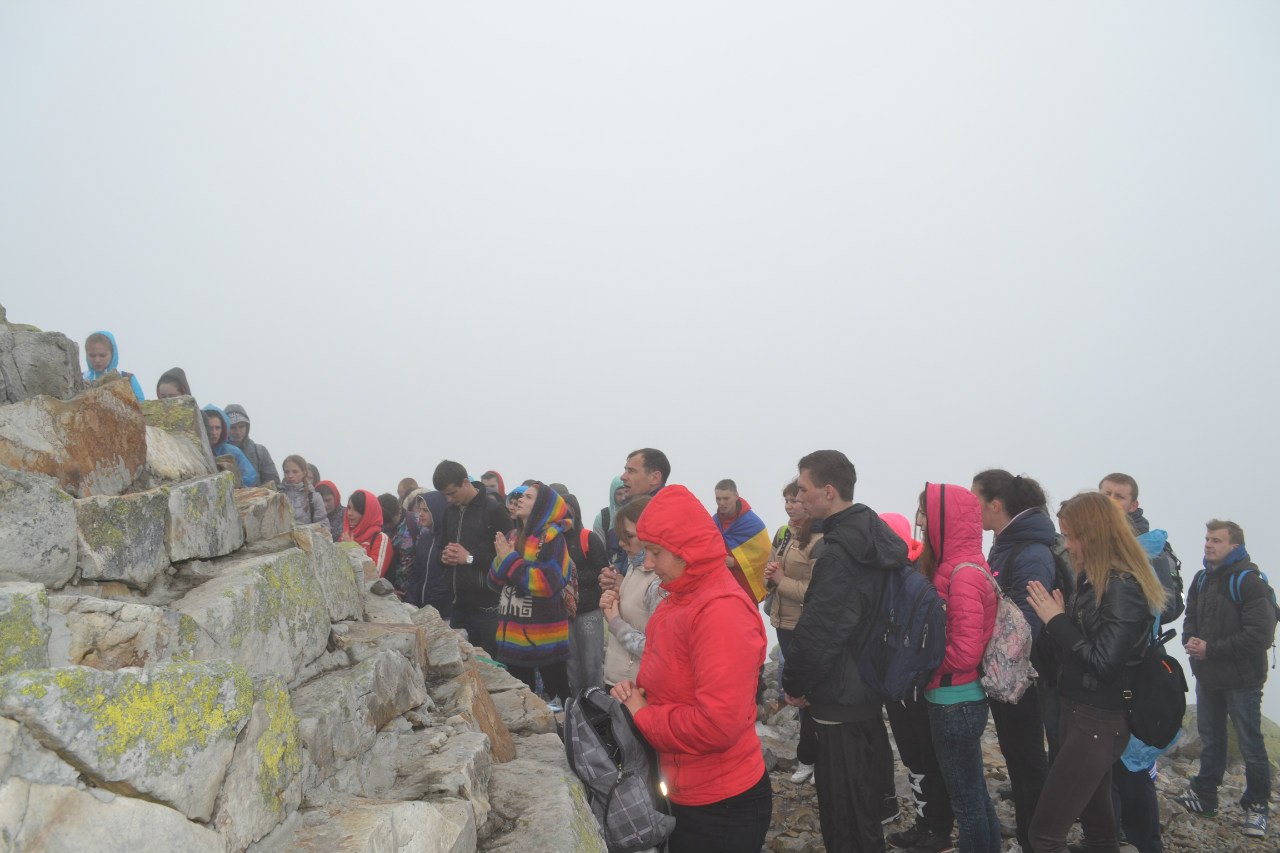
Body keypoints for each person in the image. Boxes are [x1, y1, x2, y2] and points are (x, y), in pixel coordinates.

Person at [611, 485, 771, 853]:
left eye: (656, 552)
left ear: (686, 550)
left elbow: (718, 724)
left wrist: (643, 714)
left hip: (723, 804)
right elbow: (672, 680)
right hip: (684, 788)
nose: (649, 563)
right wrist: (637, 694)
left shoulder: (721, 611)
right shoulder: (679, 598)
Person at [781, 450, 908, 853]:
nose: (799, 497)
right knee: (863, 804)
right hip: (868, 685)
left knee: (844, 812)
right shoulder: (873, 535)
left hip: (839, 696)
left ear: (829, 491)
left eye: (804, 488)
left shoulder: (839, 553)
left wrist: (794, 683)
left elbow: (821, 631)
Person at [1026, 491, 1167, 853]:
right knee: (1100, 833)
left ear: (1095, 535)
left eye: (1072, 536)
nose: (1068, 545)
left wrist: (1057, 622)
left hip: (1098, 722)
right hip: (1081, 715)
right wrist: (1060, 620)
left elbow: (1105, 663)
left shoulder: (1123, 587)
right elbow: (1082, 649)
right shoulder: (1095, 580)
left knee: (1044, 836)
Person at [1175, 519, 1276, 838]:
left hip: (1243, 679)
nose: (1208, 544)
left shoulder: (1249, 581)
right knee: (1211, 737)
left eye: (1216, 540)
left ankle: (1257, 807)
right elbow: (1191, 617)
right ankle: (1205, 795)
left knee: (1250, 743)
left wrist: (1211, 649)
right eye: (1207, 538)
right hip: (1208, 674)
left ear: (1235, 546)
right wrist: (1190, 641)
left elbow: (1259, 636)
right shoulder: (1201, 578)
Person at [1098, 472, 1183, 852]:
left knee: (1131, 765)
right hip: (1103, 666)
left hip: (1136, 667)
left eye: (1119, 496)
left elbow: (1169, 606)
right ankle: (1110, 835)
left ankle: (1146, 842)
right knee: (1105, 761)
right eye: (1105, 493)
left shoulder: (1151, 548)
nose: (1111, 500)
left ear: (1134, 505)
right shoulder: (1092, 540)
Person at [970, 469, 1054, 853]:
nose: (971, 508)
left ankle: (1035, 841)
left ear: (996, 505)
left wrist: (994, 661)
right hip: (1008, 672)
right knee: (1019, 758)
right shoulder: (1006, 543)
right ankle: (1030, 835)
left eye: (975, 499)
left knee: (1027, 761)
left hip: (1023, 676)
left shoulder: (1030, 551)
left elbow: (1027, 622)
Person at [915, 483, 999, 853]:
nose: (920, 521)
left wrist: (922, 663)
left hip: (954, 699)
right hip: (959, 697)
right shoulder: (960, 566)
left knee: (966, 803)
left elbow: (965, 653)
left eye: (925, 513)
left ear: (944, 519)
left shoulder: (962, 573)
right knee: (974, 793)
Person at [880, 512, 956, 853]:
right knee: (912, 755)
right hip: (896, 680)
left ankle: (938, 830)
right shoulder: (890, 570)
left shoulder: (919, 570)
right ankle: (925, 824)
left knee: (925, 754)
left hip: (918, 681)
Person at [489, 482, 572, 703]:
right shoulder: (512, 536)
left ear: (543, 506)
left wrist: (510, 560)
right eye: (521, 496)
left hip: (545, 640)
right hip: (512, 639)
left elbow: (546, 584)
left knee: (559, 699)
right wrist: (501, 560)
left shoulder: (553, 539)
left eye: (528, 497)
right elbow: (494, 582)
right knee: (519, 703)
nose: (520, 500)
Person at [765, 480, 821, 784]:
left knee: (811, 694)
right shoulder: (784, 534)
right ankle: (807, 758)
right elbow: (771, 568)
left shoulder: (819, 539)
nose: (789, 506)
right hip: (783, 622)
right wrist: (770, 576)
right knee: (797, 693)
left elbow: (815, 591)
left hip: (805, 625)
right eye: (786, 500)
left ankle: (816, 758)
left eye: (795, 500)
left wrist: (781, 580)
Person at [432, 460, 513, 659]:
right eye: (444, 495)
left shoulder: (494, 511)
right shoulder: (449, 512)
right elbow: (440, 548)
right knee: (463, 668)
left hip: (489, 608)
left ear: (466, 483)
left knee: (493, 667)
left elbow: (508, 560)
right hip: (458, 606)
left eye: (452, 493)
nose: (449, 499)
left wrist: (468, 558)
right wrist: (444, 557)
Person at [600, 496, 662, 690]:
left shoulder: (659, 581)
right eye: (620, 535)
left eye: (629, 536)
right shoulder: (634, 566)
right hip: (619, 682)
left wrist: (615, 621)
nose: (621, 543)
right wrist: (614, 600)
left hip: (637, 688)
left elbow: (656, 649)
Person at [562, 491, 610, 694]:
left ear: (576, 513)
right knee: (571, 665)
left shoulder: (588, 538)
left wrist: (569, 578)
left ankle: (597, 705)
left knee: (592, 664)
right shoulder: (552, 541)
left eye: (567, 513)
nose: (563, 518)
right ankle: (577, 705)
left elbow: (602, 570)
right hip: (564, 612)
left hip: (589, 609)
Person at [712, 479, 772, 604]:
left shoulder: (752, 523)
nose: (721, 503)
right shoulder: (714, 522)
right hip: (720, 586)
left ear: (736, 496)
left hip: (745, 588)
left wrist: (735, 562)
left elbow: (765, 556)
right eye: (718, 499)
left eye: (726, 498)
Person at [405, 490, 451, 617]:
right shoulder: (425, 537)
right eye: (420, 510)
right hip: (420, 608)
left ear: (437, 511)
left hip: (444, 612)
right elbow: (416, 573)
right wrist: (410, 601)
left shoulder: (449, 539)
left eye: (426, 510)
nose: (420, 514)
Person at [200, 405, 259, 487]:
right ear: (202, 427)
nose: (214, 433)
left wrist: (237, 486)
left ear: (223, 429)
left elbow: (250, 475)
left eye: (218, 428)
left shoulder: (232, 452)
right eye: (210, 428)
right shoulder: (193, 450)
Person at [224, 404, 280, 487]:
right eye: (233, 427)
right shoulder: (217, 451)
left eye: (241, 426)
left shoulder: (260, 452)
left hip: (259, 495)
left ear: (247, 427)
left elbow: (274, 482)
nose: (238, 432)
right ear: (225, 428)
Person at [82, 330, 144, 401]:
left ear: (113, 354)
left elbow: (141, 403)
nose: (97, 360)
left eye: (102, 355)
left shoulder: (127, 378)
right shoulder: (80, 379)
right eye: (92, 356)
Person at [341, 489, 392, 574]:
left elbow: (374, 574)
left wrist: (352, 548)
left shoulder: (380, 538)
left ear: (367, 512)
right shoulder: (345, 536)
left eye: (356, 509)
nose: (349, 513)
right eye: (349, 508)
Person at [280, 454, 325, 526]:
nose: (290, 475)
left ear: (304, 473)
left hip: (308, 534)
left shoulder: (314, 497)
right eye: (286, 472)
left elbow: (323, 525)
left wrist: (303, 529)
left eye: (295, 472)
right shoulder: (276, 496)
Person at [593, 476, 628, 564]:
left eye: (626, 492)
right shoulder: (602, 518)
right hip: (610, 565)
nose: (623, 497)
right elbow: (600, 550)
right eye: (619, 494)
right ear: (612, 494)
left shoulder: (636, 513)